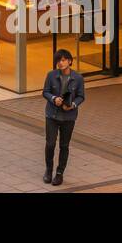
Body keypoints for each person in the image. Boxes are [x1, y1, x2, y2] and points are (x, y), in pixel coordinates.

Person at [41, 48, 85, 186]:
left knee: (64, 145)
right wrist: (54, 99)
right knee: (50, 143)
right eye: (58, 60)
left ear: (70, 61)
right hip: (52, 115)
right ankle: (48, 170)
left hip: (68, 117)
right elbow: (45, 92)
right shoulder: (51, 75)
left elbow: (81, 96)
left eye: (64, 60)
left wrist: (72, 104)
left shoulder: (78, 78)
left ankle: (59, 173)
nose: (61, 62)